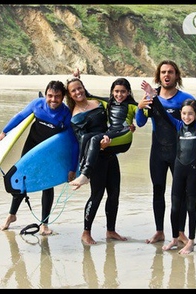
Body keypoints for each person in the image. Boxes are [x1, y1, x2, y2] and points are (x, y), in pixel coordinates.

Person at [135, 60, 196, 244]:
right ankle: (159, 231)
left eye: (170, 72)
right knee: (158, 190)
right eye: (163, 72)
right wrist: (140, 108)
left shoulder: (184, 98)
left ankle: (180, 232)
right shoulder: (151, 97)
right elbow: (140, 123)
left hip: (179, 153)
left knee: (179, 193)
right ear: (159, 76)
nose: (167, 75)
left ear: (176, 76)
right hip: (157, 151)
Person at [0, 80, 79, 235]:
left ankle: (44, 224)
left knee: (47, 185)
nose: (53, 100)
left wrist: (72, 168)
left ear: (63, 97)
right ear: (45, 94)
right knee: (21, 180)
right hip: (31, 148)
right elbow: (20, 116)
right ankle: (11, 215)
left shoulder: (65, 114)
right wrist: (4, 132)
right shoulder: (37, 105)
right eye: (49, 96)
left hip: (49, 153)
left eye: (57, 96)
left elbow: (73, 142)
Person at [65, 77, 128, 245]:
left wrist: (126, 127)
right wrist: (99, 148)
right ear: (70, 95)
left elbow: (115, 117)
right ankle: (86, 232)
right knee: (97, 194)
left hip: (110, 151)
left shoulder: (98, 103)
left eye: (79, 88)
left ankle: (111, 230)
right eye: (73, 91)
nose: (78, 92)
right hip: (96, 157)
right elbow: (82, 141)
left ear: (84, 88)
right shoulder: (75, 116)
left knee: (114, 193)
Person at [69, 77, 138, 190]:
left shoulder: (131, 105)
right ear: (112, 92)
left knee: (95, 139)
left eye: (123, 91)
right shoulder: (107, 103)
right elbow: (87, 94)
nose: (119, 94)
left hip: (121, 137)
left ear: (128, 92)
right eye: (116, 91)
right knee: (87, 137)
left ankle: (85, 175)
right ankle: (83, 173)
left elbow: (143, 116)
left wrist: (148, 98)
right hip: (107, 141)